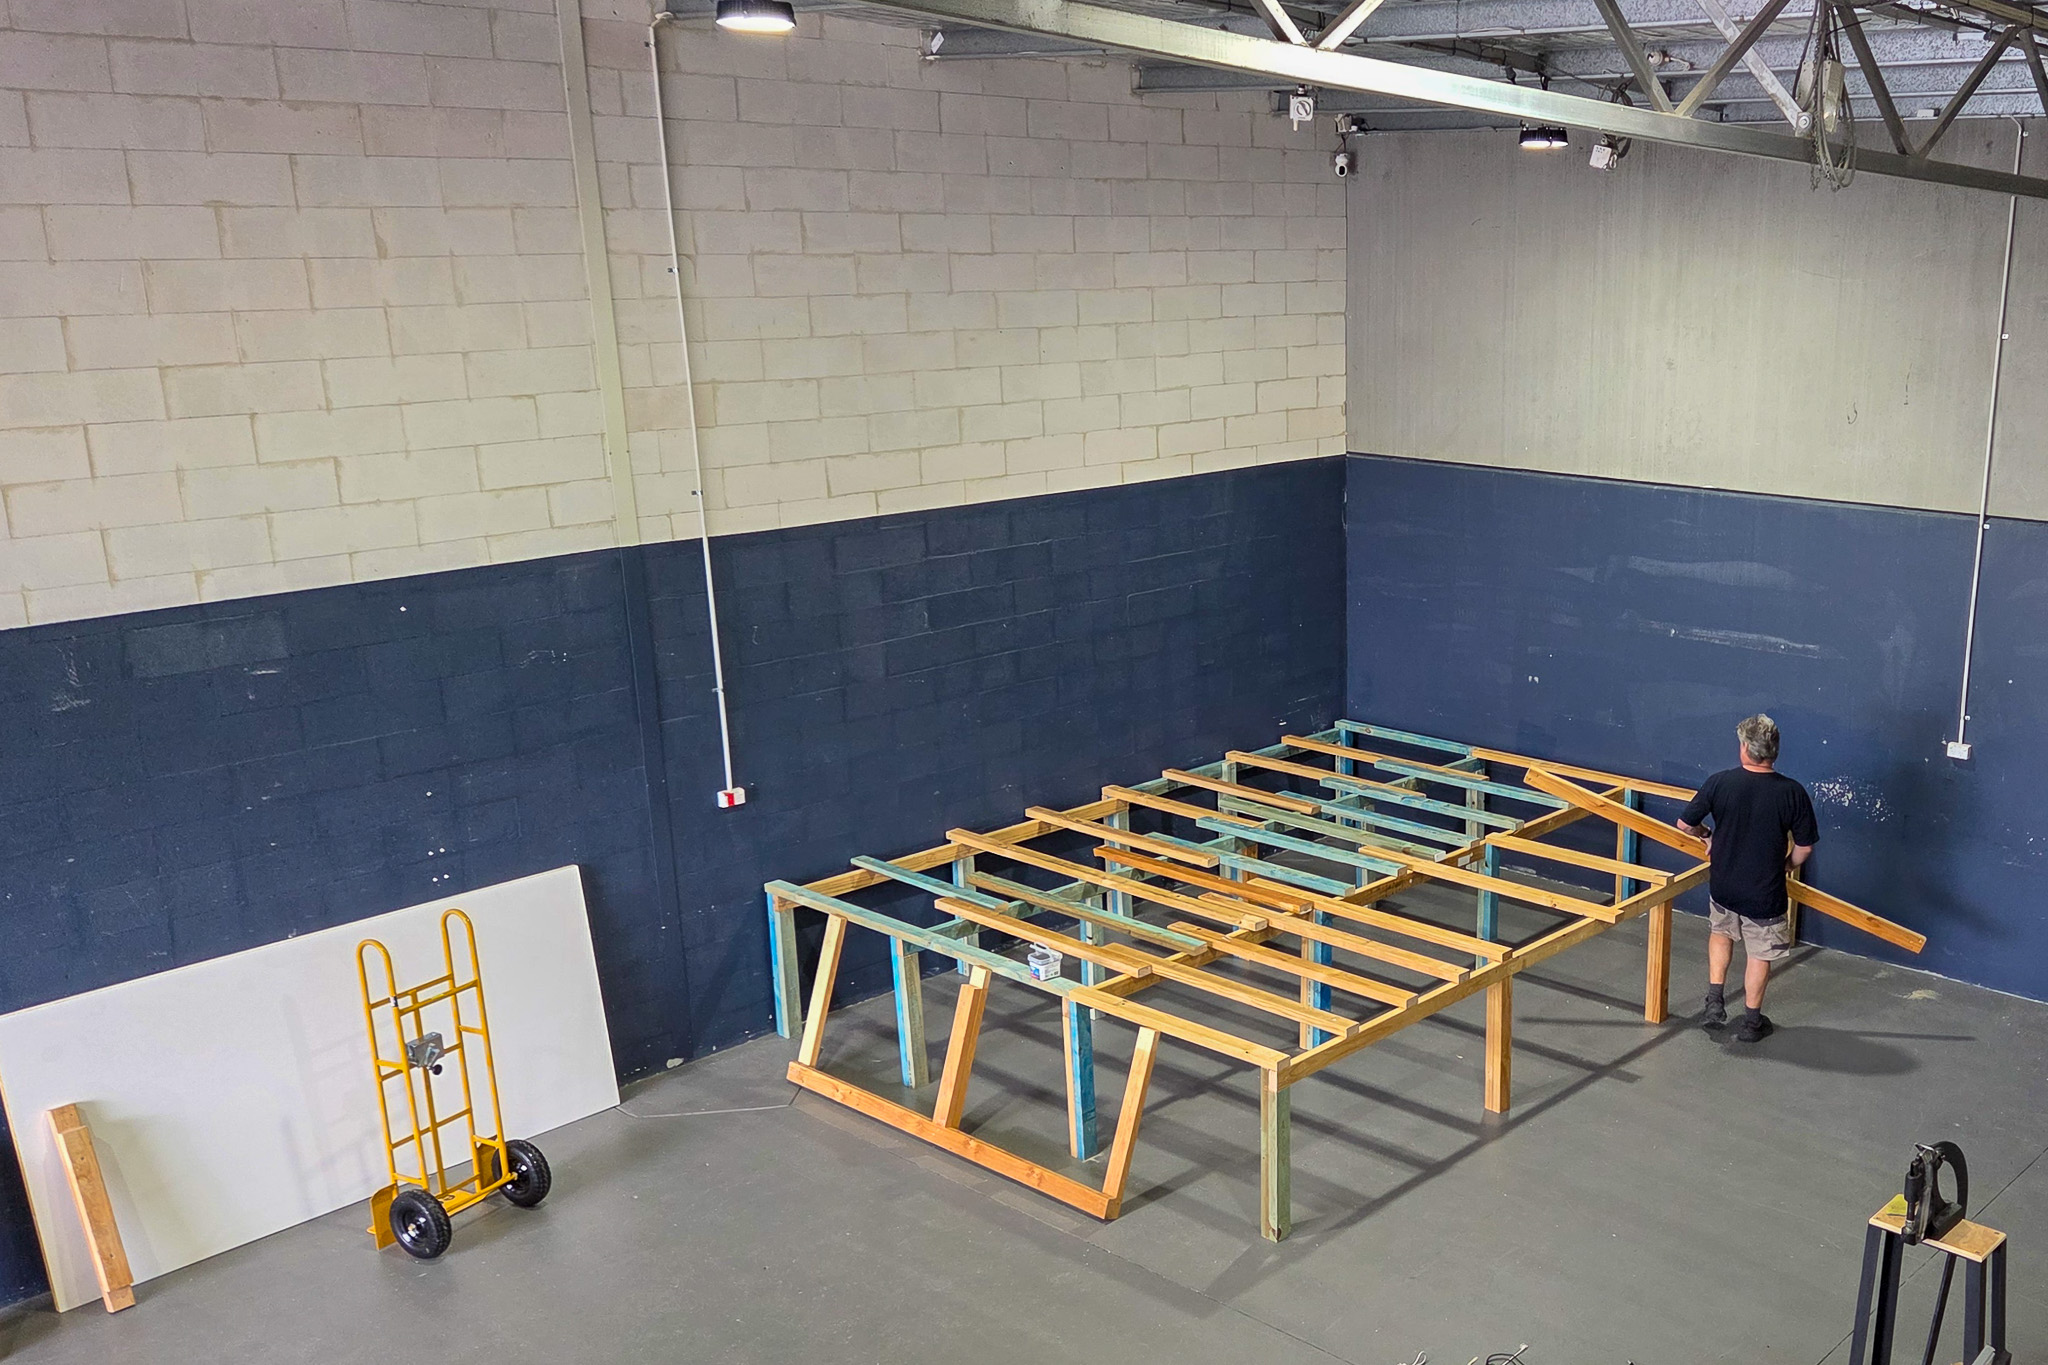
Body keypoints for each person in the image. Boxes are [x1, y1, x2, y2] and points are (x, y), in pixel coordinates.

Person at [1676, 714, 1817, 1043]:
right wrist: (1786, 866)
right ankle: (1752, 1023)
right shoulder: (1792, 792)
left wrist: (1707, 835)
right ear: (1774, 751)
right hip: (1764, 893)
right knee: (1759, 954)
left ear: (1744, 748)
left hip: (1723, 885)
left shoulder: (1720, 782)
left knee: (1721, 934)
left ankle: (1714, 1003)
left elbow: (1685, 825)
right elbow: (1806, 847)